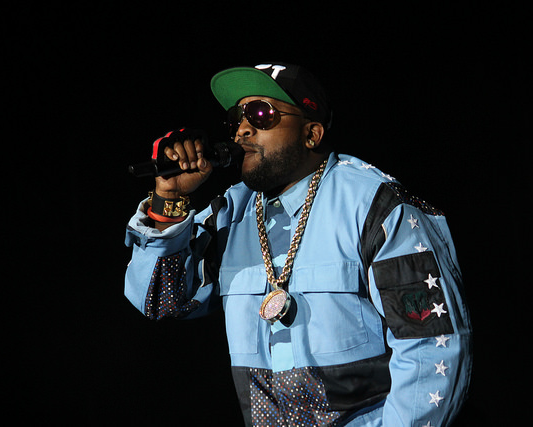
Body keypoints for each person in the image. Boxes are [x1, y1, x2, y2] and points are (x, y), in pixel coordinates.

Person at [124, 62, 472, 426]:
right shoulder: (230, 213)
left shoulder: (375, 206)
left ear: (311, 133)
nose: (242, 129)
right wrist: (169, 199)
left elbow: (433, 348)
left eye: (261, 114)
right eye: (236, 118)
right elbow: (160, 300)